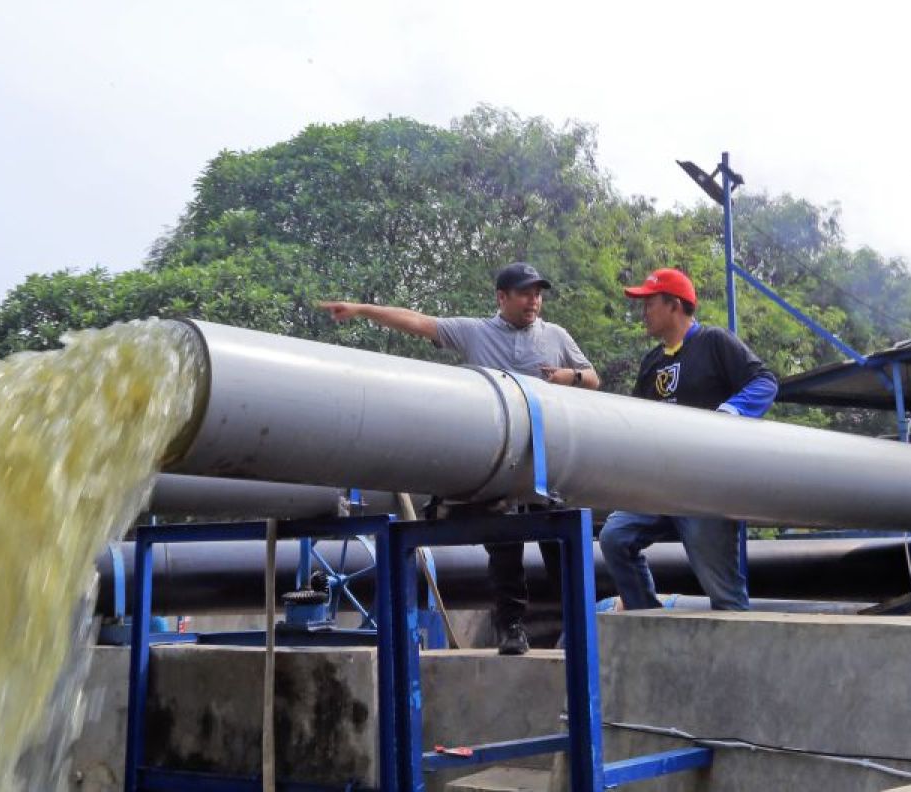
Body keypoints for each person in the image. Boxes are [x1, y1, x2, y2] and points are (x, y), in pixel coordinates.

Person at [319, 262, 599, 655]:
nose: (533, 301)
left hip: (545, 462)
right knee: (505, 548)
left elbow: (593, 378)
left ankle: (580, 626)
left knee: (561, 546)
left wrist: (570, 378)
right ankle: (512, 628)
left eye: (537, 293)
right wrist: (363, 310)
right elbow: (418, 323)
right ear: (501, 298)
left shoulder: (556, 336)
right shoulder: (475, 332)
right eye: (524, 293)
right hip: (497, 465)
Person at [600, 267, 778, 611]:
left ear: (674, 306)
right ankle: (647, 617)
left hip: (706, 487)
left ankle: (743, 654)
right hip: (660, 484)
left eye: (649, 304)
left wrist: (731, 411)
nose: (644, 313)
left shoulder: (713, 342)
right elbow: (638, 420)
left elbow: (765, 381)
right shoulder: (651, 362)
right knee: (614, 536)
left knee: (723, 590)